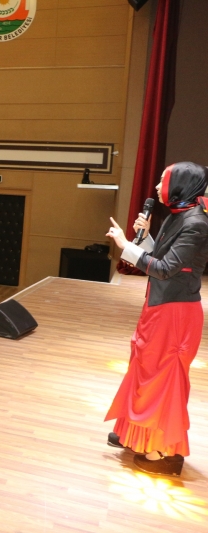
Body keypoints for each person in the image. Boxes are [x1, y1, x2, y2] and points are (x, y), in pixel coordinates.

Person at [104, 162, 208, 476]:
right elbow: (162, 258)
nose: (156, 187)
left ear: (180, 184)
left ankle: (165, 453)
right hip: (159, 305)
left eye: (162, 179)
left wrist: (125, 246)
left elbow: (164, 269)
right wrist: (146, 238)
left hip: (175, 313)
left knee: (163, 379)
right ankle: (135, 433)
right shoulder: (179, 216)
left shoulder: (196, 223)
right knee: (144, 368)